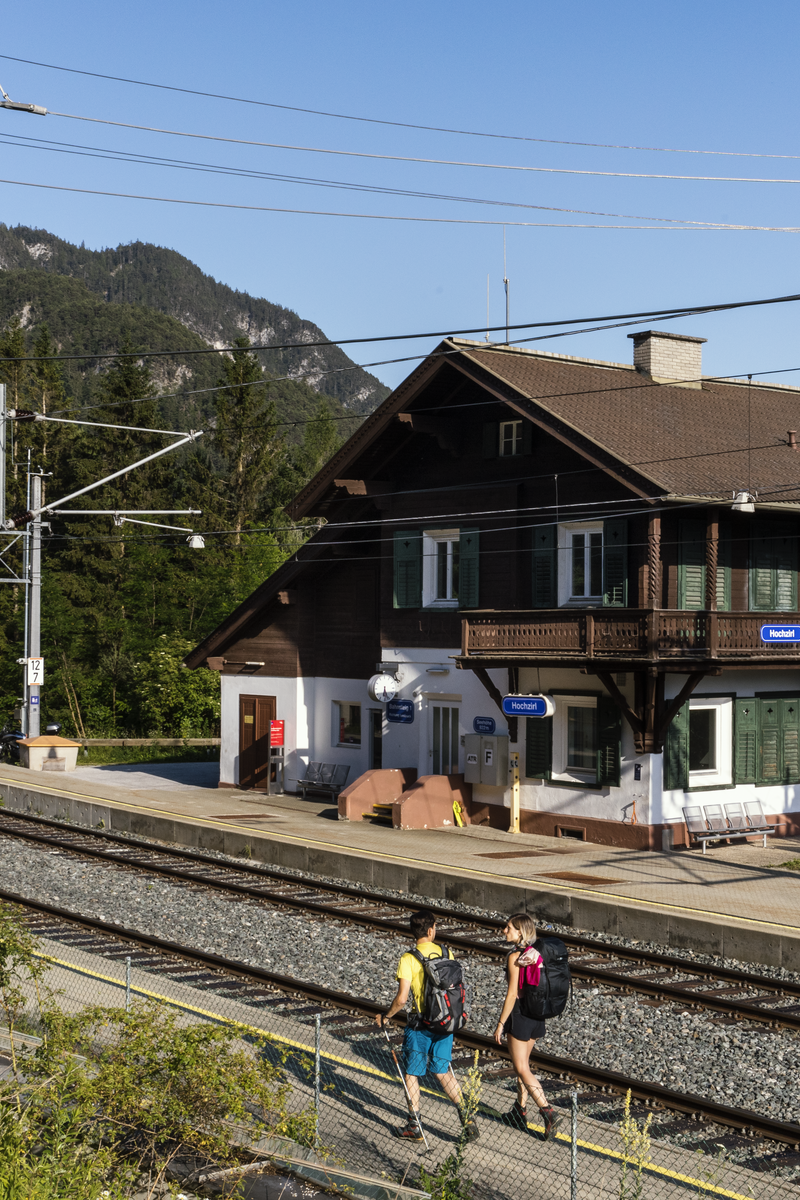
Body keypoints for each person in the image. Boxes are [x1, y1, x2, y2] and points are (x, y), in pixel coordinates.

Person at [377, 908, 479, 1142]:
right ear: (432, 930)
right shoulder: (447, 952)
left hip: (419, 1025)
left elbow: (402, 999)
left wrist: (387, 1016)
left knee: (412, 1073)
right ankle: (467, 1117)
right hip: (445, 1023)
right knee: (442, 1071)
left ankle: (414, 1126)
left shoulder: (408, 958)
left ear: (414, 932)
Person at [494, 912, 562, 1139]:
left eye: (508, 928)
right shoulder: (535, 954)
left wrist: (501, 1023)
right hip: (537, 1015)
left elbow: (512, 993)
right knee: (522, 1065)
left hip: (521, 1015)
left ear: (520, 932)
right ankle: (519, 1111)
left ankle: (547, 1111)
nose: (505, 931)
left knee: (522, 1068)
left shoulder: (515, 957)